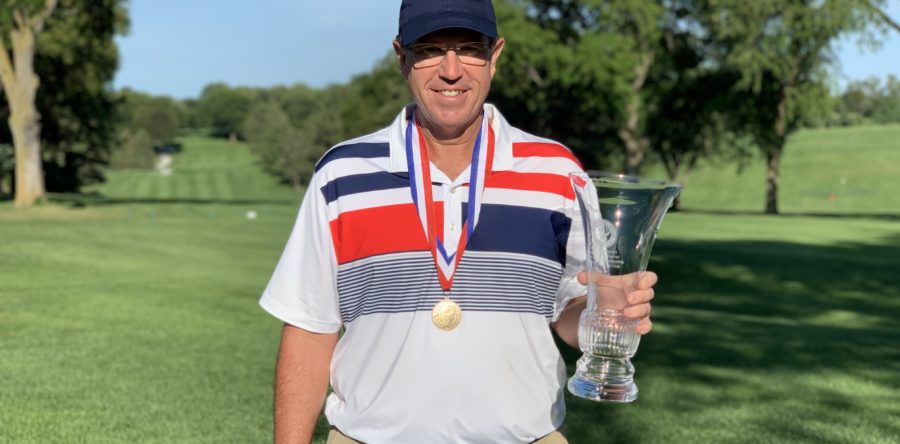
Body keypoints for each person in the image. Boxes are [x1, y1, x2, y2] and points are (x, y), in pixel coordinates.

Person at [259, 1, 656, 442]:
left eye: (469, 48)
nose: (451, 70)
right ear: (401, 57)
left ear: (495, 54)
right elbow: (309, 330)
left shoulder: (558, 172)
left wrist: (602, 310)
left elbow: (566, 311)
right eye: (430, 49)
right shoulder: (342, 174)